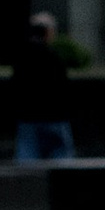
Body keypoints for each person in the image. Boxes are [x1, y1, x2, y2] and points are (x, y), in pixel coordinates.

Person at [13, 13, 76, 164]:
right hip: (55, 118)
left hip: (28, 118)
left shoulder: (22, 58)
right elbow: (64, 88)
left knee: (28, 167)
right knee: (62, 165)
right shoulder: (55, 57)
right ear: (49, 32)